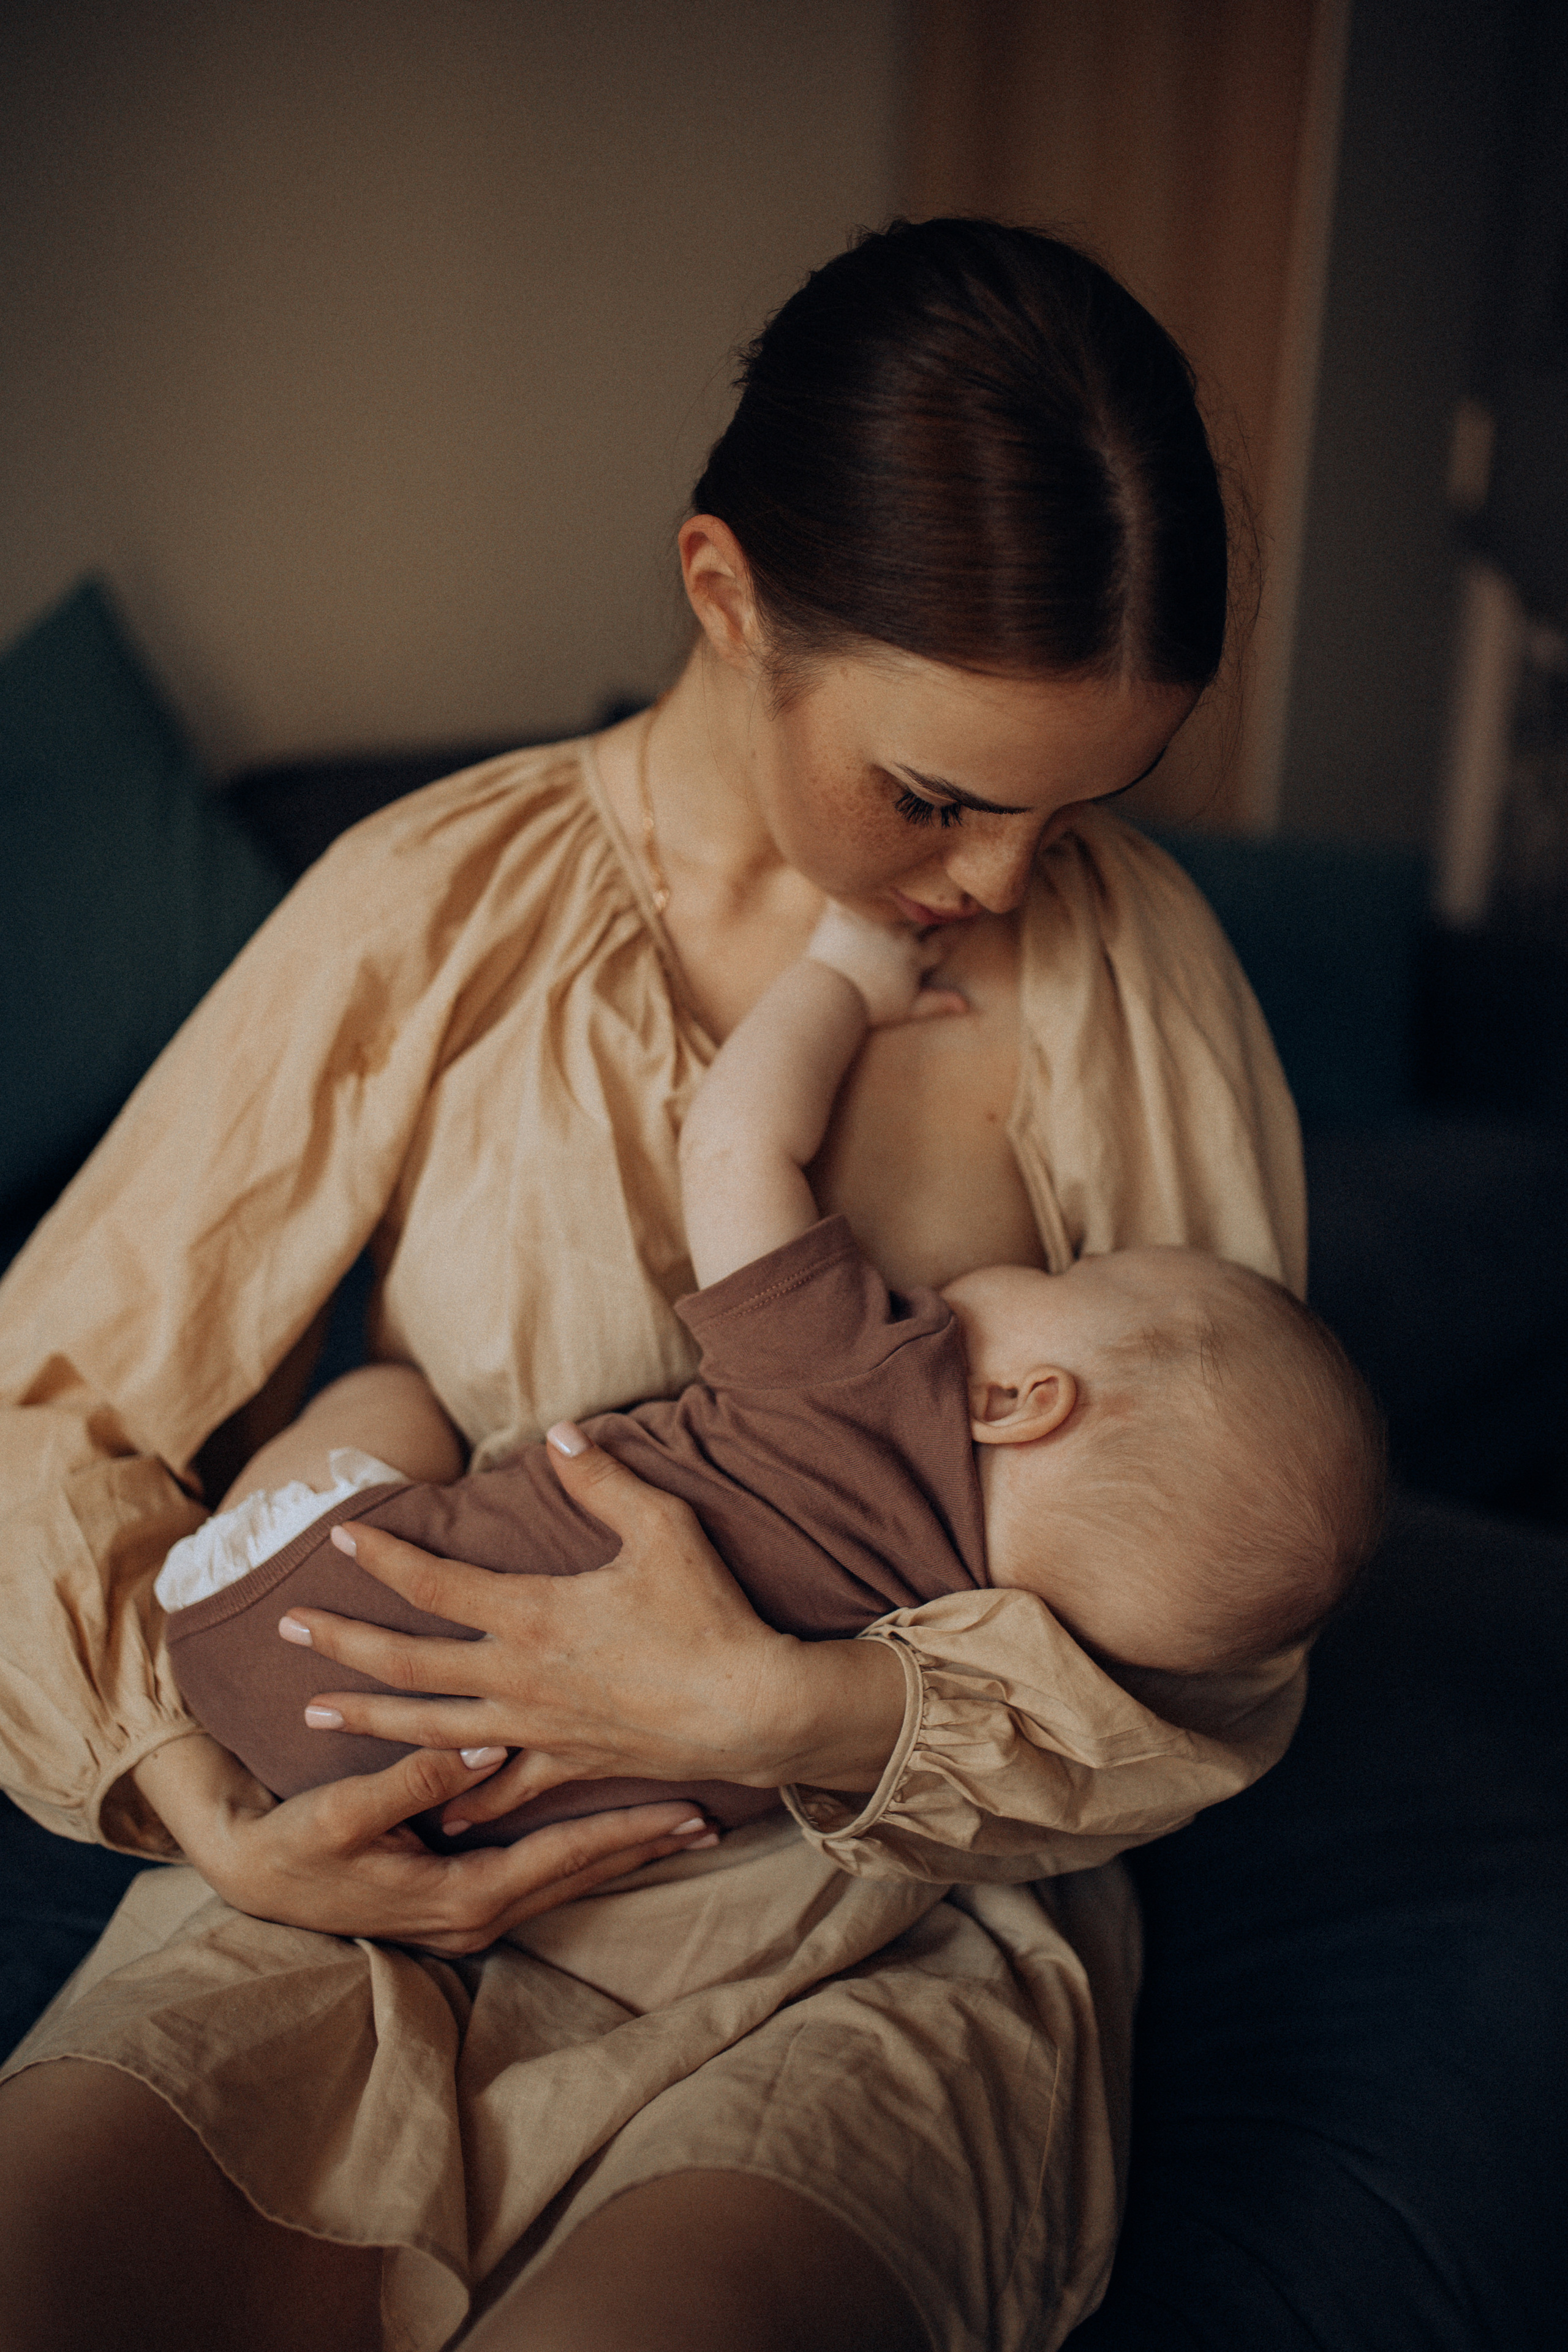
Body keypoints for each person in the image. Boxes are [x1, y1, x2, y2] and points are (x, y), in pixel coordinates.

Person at [0, 220, 1314, 2352]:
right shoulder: (432, 905)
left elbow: (1236, 1620)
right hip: (388, 1856)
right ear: (723, 597)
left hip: (882, 1921)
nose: (998, 885)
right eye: (939, 794)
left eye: (1076, 810)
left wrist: (796, 1710)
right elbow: (41, 1397)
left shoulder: (1130, 979)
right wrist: (202, 1810)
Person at [155, 902, 1383, 1875]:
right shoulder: (960, 1645)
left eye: (1083, 1270)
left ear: (1021, 1400)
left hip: (267, 1625)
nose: (1038, 1263)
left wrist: (846, 975)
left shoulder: (873, 1372)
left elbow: (737, 1146)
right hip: (460, 1818)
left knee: (390, 1395)